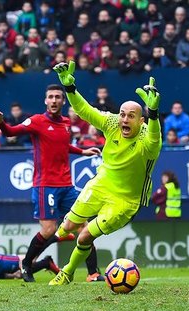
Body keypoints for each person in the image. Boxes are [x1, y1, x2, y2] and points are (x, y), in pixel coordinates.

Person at [49, 61, 162, 285]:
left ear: (141, 121)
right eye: (122, 114)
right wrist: (69, 88)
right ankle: (59, 234)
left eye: (131, 116)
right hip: (101, 183)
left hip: (125, 200)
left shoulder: (148, 139)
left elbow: (154, 138)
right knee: (67, 228)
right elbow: (85, 111)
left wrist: (154, 113)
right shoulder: (112, 123)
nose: (124, 120)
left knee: (85, 235)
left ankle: (67, 272)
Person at [0, 84, 102, 283]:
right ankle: (27, 264)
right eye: (50, 97)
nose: (54, 100)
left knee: (84, 228)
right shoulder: (36, 121)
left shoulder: (67, 123)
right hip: (45, 186)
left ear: (63, 101)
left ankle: (93, 273)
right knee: (49, 229)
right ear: (45, 100)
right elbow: (10, 132)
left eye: (58, 97)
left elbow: (62, 145)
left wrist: (82, 151)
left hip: (66, 186)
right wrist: (1, 122)